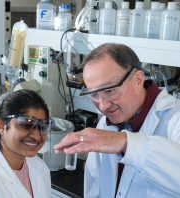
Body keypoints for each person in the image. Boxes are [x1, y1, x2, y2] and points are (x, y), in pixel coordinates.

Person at [54, 43, 180, 197]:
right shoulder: (106, 123)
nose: (103, 106)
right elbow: (94, 185)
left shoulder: (175, 119)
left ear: (138, 79)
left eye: (109, 90)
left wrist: (125, 142)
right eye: (94, 94)